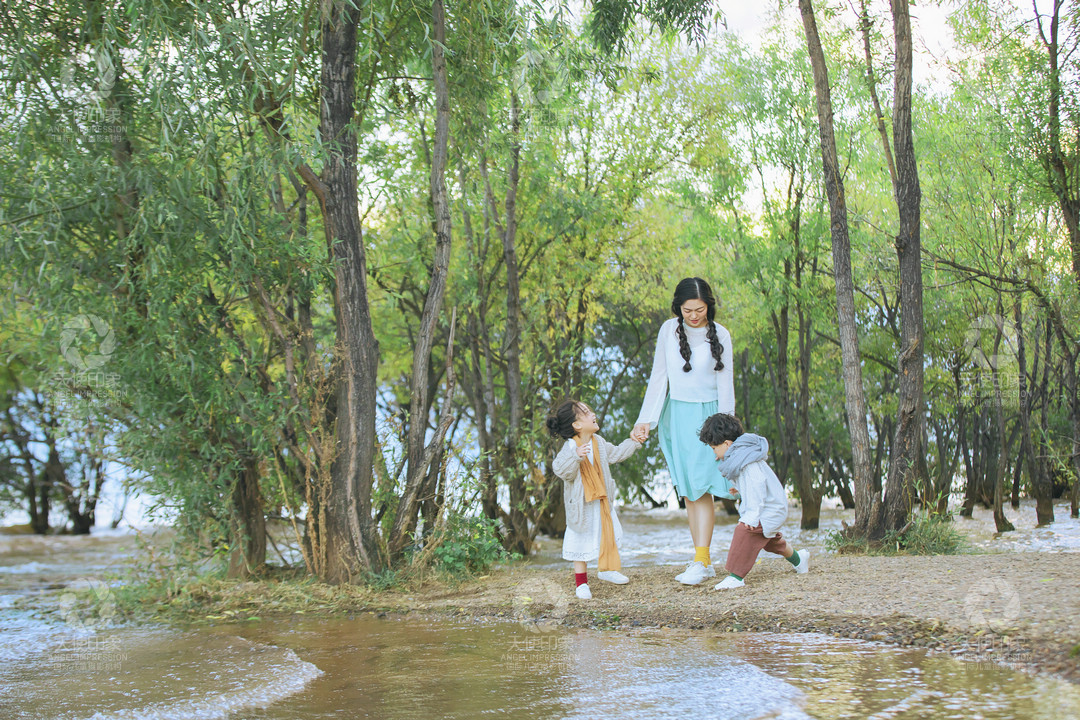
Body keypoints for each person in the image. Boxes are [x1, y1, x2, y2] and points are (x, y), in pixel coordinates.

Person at [631, 277, 735, 585]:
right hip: (676, 414)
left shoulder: (722, 335)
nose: (693, 315)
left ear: (708, 306)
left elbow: (725, 386)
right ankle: (701, 559)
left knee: (703, 488)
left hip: (710, 417)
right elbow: (658, 377)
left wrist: (729, 432)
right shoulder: (668, 330)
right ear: (679, 307)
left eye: (700, 309)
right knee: (690, 490)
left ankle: (701, 561)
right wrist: (644, 421)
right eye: (688, 310)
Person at [697, 412, 808, 589]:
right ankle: (799, 559)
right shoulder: (743, 456)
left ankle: (736, 576)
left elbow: (756, 486)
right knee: (771, 542)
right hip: (768, 507)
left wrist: (750, 516)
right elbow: (754, 485)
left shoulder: (747, 462)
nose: (715, 454)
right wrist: (741, 489)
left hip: (770, 509)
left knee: (744, 531)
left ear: (727, 444)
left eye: (714, 448)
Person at [548, 399, 641, 600]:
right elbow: (560, 470)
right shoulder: (571, 446)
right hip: (581, 506)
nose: (593, 414)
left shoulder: (598, 442)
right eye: (587, 412)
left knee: (607, 535)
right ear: (577, 425)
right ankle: (581, 584)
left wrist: (634, 442)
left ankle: (607, 569)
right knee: (579, 542)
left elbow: (615, 454)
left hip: (601, 501)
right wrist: (575, 456)